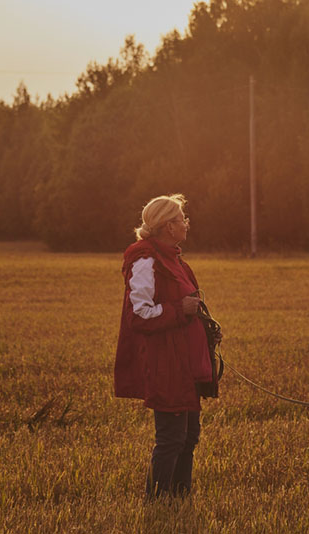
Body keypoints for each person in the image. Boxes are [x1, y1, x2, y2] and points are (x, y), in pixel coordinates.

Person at [114, 193, 213, 499]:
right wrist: (179, 309)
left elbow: (189, 306)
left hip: (184, 362)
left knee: (189, 436)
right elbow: (139, 315)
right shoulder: (146, 261)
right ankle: (158, 503)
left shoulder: (174, 260)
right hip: (166, 363)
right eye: (182, 218)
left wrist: (207, 330)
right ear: (169, 226)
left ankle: (180, 500)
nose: (186, 223)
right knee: (171, 438)